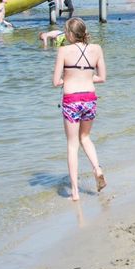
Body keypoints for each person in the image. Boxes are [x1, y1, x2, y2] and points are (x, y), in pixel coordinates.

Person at [52, 17, 107, 201]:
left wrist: (68, 79)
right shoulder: (96, 49)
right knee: (86, 137)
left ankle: (75, 192)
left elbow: (55, 82)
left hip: (72, 100)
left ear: (69, 33)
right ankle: (97, 168)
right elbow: (101, 77)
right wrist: (85, 77)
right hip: (90, 98)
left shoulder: (63, 51)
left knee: (72, 144)